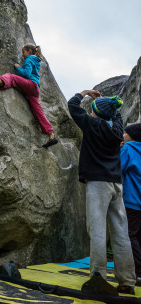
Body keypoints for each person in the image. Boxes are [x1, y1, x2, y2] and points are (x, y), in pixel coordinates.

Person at [68, 90, 136, 295]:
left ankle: (98, 278)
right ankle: (127, 282)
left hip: (98, 183)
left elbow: (73, 106)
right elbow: (117, 116)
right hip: (116, 184)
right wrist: (109, 106)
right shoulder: (117, 130)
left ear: (95, 112)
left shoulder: (91, 124)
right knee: (121, 232)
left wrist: (85, 93)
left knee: (97, 230)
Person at [0, 44, 57, 148]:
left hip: (30, 84)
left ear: (29, 51)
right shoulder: (36, 60)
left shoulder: (29, 59)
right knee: (38, 111)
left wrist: (18, 67)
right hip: (35, 88)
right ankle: (51, 135)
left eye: (23, 52)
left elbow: (26, 74)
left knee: (10, 77)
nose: (23, 55)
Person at [120, 123, 141, 287]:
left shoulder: (128, 149)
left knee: (129, 235)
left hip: (132, 201)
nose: (123, 136)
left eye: (125, 133)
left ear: (132, 136)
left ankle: (137, 273)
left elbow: (117, 168)